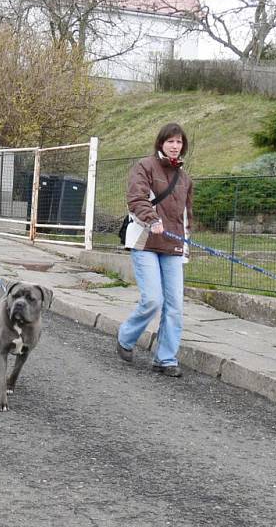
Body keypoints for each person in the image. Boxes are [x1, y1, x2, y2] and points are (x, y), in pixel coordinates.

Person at [116, 122, 194, 378]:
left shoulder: (185, 179)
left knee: (175, 307)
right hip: (146, 241)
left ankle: (166, 358)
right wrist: (152, 219)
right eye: (170, 141)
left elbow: (186, 216)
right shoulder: (145, 167)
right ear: (161, 143)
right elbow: (136, 198)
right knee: (152, 300)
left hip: (172, 245)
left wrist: (185, 245)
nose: (175, 146)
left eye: (179, 142)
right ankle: (126, 338)